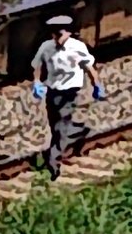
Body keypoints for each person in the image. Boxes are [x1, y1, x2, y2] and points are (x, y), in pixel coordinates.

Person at [30, 15, 98, 178]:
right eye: (54, 35)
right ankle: (81, 130)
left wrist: (97, 85)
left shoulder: (78, 47)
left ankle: (53, 160)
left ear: (68, 33)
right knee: (56, 127)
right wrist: (37, 82)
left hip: (69, 92)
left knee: (61, 126)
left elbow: (89, 67)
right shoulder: (47, 47)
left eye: (60, 34)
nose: (57, 38)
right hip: (52, 91)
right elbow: (37, 64)